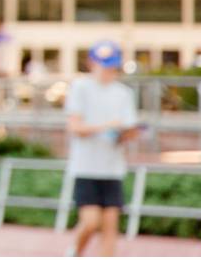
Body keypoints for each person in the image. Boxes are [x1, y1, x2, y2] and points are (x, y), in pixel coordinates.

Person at [64, 41, 141, 258]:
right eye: (104, 65)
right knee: (90, 222)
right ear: (91, 63)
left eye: (112, 66)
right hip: (86, 167)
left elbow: (127, 129)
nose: (109, 71)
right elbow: (75, 127)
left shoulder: (123, 93)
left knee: (110, 228)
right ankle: (74, 252)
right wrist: (106, 126)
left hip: (112, 168)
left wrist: (127, 133)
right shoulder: (80, 87)